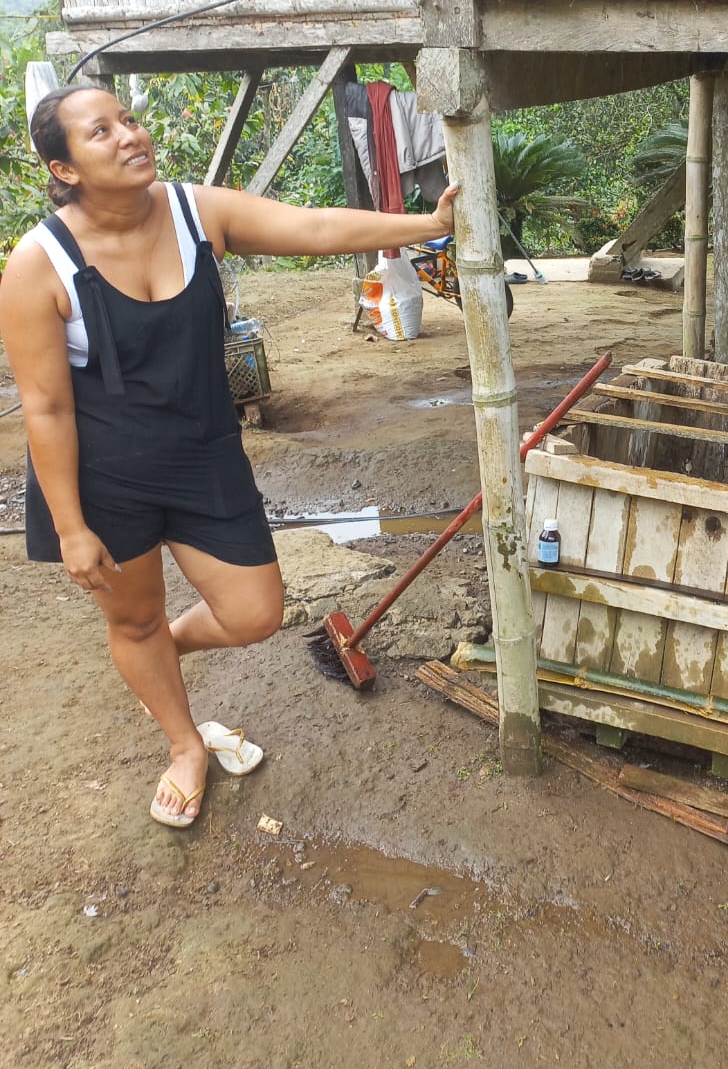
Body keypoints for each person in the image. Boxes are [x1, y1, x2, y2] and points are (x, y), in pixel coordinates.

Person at [0, 84, 457, 829]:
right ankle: (184, 745)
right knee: (134, 620)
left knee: (254, 614)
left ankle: (159, 654)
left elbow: (313, 225)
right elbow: (46, 409)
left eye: (129, 120)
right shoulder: (37, 264)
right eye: (101, 131)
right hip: (106, 477)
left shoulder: (194, 211)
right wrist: (72, 527)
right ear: (65, 168)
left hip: (205, 454)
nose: (129, 135)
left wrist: (429, 223)